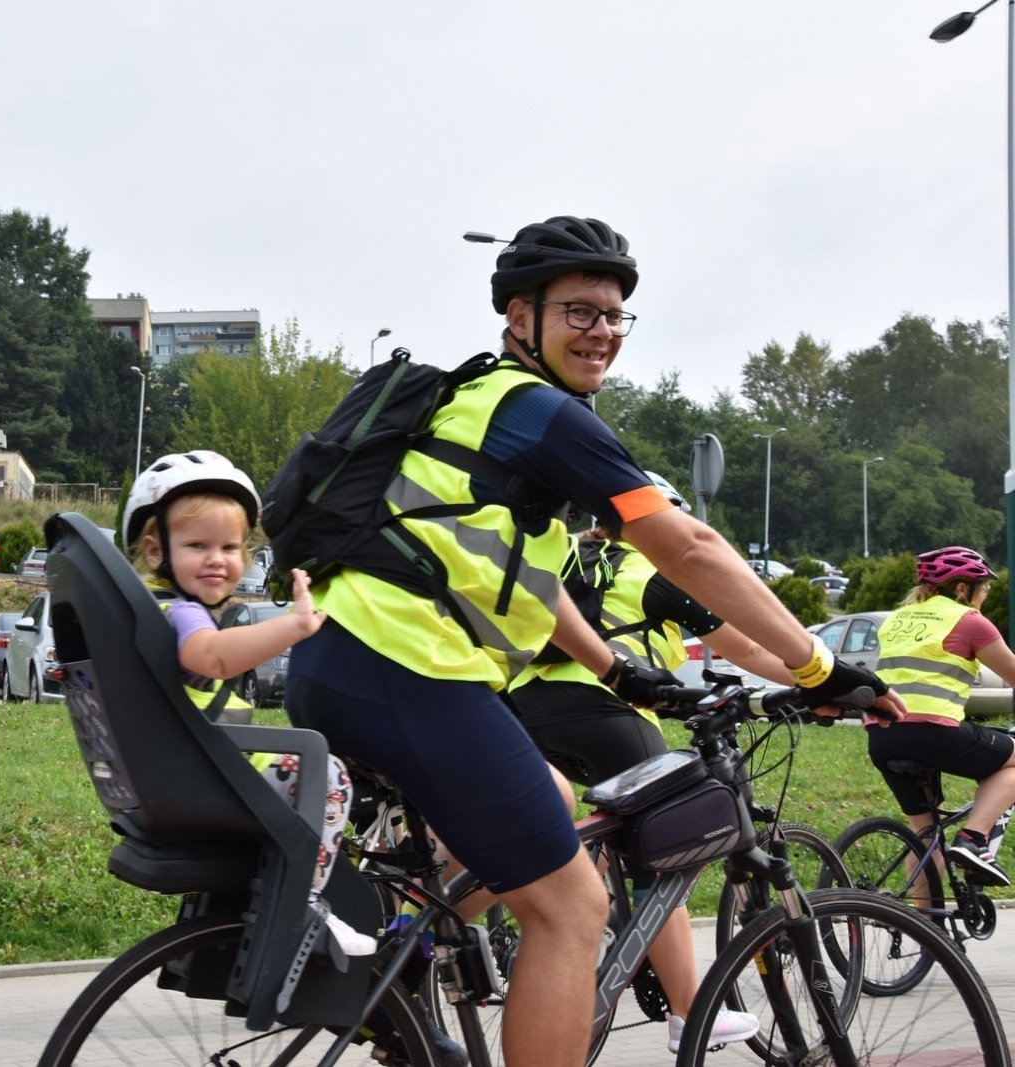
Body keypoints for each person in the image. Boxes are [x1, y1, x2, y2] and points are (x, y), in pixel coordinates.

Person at [285, 215, 902, 1067]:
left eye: (614, 315)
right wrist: (818, 665)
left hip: (350, 661)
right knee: (574, 907)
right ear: (519, 318)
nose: (602, 331)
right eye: (579, 311)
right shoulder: (539, 411)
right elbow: (691, 547)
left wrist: (621, 670)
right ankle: (396, 979)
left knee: (548, 795)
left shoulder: (482, 406)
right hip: (405, 668)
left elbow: (532, 585)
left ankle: (398, 971)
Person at [508, 472, 794, 1053]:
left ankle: (593, 921)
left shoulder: (569, 560)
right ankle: (690, 1012)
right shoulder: (655, 573)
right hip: (607, 711)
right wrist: (814, 682)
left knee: (575, 832)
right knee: (665, 855)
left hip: (524, 706)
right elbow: (747, 648)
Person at [122, 451, 377, 960]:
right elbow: (213, 657)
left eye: (230, 547)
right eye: (198, 546)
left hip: (183, 770)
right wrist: (294, 626)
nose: (217, 559)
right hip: (212, 775)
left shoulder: (146, 605)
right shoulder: (181, 613)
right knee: (327, 775)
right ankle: (304, 903)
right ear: (155, 550)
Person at [869, 546, 1015, 887]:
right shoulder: (968, 621)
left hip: (882, 735)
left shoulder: (897, 619)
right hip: (932, 733)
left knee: (923, 834)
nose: (986, 593)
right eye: (983, 586)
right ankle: (973, 839)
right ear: (962, 588)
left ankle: (924, 919)